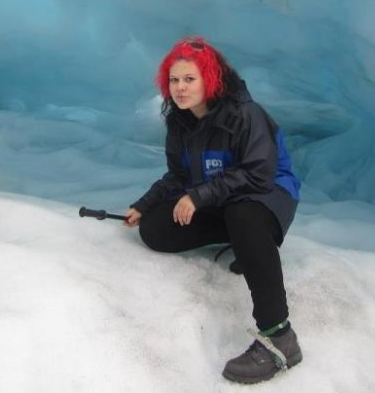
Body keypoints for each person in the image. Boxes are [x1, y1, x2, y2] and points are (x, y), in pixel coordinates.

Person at [124, 36, 302, 384]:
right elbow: (178, 176)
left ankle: (280, 336)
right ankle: (246, 242)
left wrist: (199, 197)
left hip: (268, 194)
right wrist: (144, 205)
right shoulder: (181, 123)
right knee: (157, 230)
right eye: (173, 80)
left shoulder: (245, 114)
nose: (179, 87)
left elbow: (258, 173)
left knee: (243, 215)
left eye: (189, 78)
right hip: (221, 198)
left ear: (210, 78)